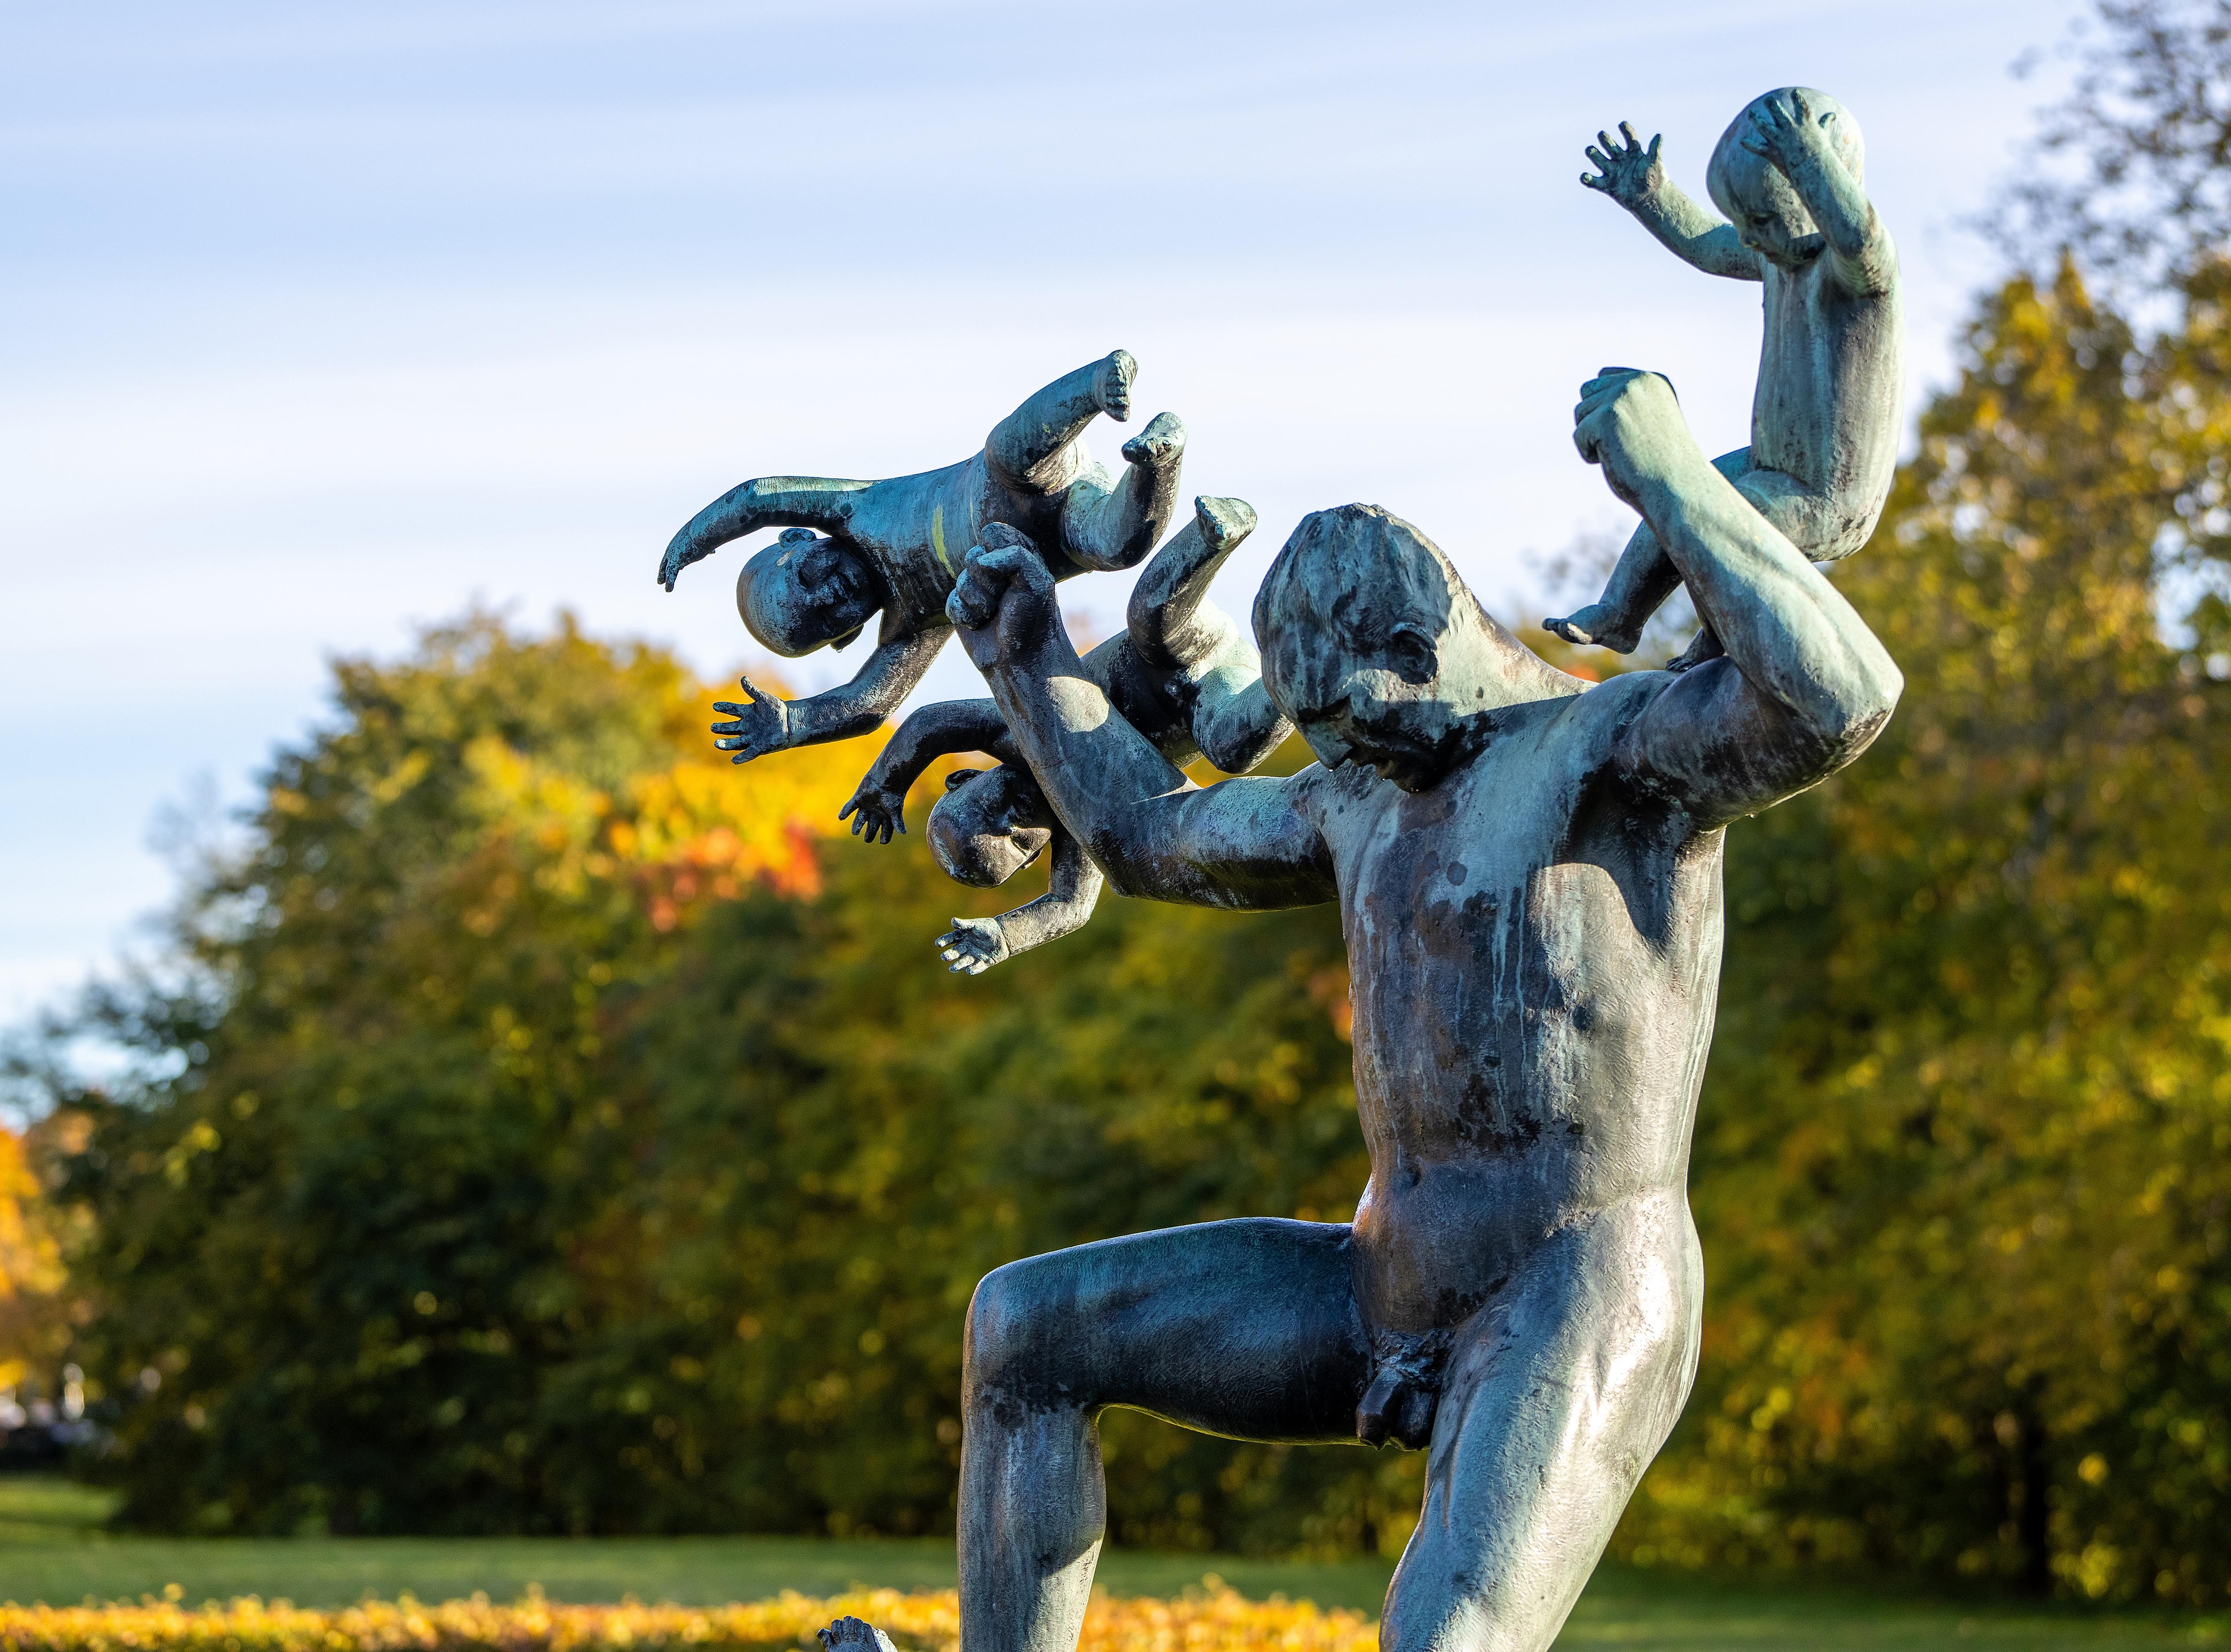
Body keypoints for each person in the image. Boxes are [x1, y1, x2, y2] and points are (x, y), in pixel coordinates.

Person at [829, 366, 1900, 1652]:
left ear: (1414, 651)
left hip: (1570, 1288)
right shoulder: (1354, 793)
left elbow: (1841, 698)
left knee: (1444, 1639)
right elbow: (1147, 837)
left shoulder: (1617, 752)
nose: (1339, 763)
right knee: (1024, 1331)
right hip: (1375, 1283)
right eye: (1321, 738)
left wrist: (1666, 472)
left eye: (1353, 727)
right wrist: (1028, 657)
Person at [830, 497, 1289, 972]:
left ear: (965, 778)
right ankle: (1296, 667)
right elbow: (1070, 906)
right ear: (1034, 859)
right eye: (1019, 842)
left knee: (1152, 615)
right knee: (1232, 750)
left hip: (1171, 650)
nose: (1016, 818)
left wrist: (885, 783)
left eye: (993, 809)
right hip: (1215, 700)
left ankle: (1212, 537)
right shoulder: (1078, 825)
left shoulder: (1014, 730)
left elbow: (929, 724)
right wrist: (1006, 935)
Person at [659, 350, 1188, 761]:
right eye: (826, 618)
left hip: (1005, 478)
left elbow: (758, 498)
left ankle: (1095, 385)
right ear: (845, 638)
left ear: (798, 540)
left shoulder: (854, 508)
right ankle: (1159, 460)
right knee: (1118, 546)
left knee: (1012, 449)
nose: (828, 593)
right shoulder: (915, 622)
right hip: (1061, 535)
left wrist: (696, 538)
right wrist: (796, 724)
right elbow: (870, 704)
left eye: (806, 578)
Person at [1544, 87, 1903, 660]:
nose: (1750, 236)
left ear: (1817, 198)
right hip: (1771, 463)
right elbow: (1710, 248)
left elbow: (1860, 237)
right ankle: (1621, 613)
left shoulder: (1857, 276)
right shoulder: (1778, 255)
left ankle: (1716, 645)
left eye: (1760, 219)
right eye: (1745, 221)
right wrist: (1651, 198)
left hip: (1826, 495)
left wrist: (1810, 158)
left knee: (1719, 524)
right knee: (1683, 488)